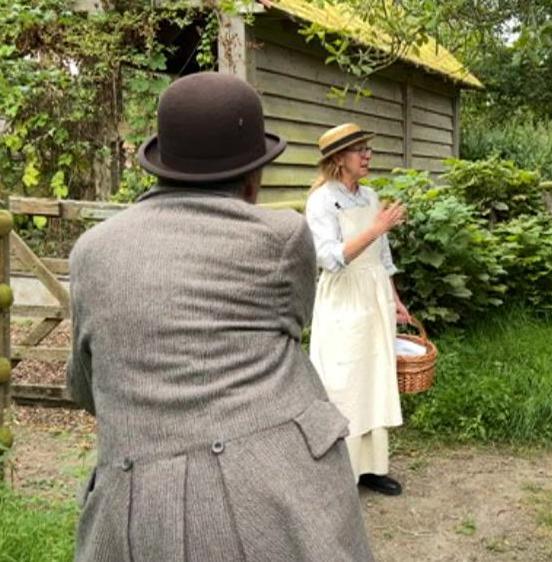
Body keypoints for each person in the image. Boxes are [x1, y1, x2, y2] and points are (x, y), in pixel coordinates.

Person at [67, 73, 373, 561]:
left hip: (135, 509)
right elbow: (292, 323)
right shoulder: (283, 235)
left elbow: (87, 388)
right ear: (254, 176)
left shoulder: (90, 251)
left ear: (161, 166)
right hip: (276, 495)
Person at [306, 123, 411, 496]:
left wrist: (395, 299)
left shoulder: (369, 196)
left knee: (374, 379)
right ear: (337, 158)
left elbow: (382, 256)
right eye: (359, 150)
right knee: (344, 382)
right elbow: (330, 257)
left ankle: (371, 467)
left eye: (368, 149)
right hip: (344, 297)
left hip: (374, 294)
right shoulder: (321, 200)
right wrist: (378, 226)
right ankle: (339, 472)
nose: (367, 156)